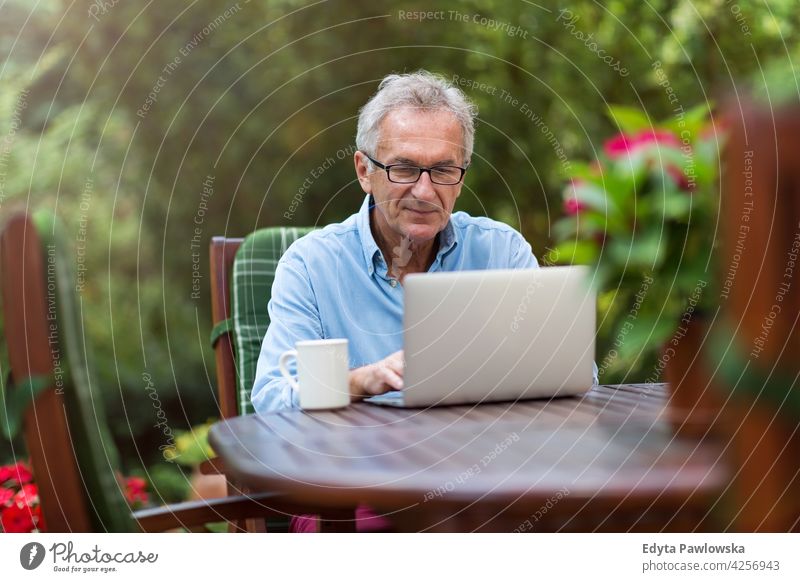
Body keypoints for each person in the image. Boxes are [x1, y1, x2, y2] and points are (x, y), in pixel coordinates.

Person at [251, 70, 540, 414]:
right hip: (358, 463)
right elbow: (272, 401)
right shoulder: (311, 266)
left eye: (444, 170)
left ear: (462, 176)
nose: (424, 191)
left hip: (482, 457)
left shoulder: (502, 252)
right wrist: (358, 383)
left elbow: (575, 374)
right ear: (364, 171)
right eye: (403, 169)